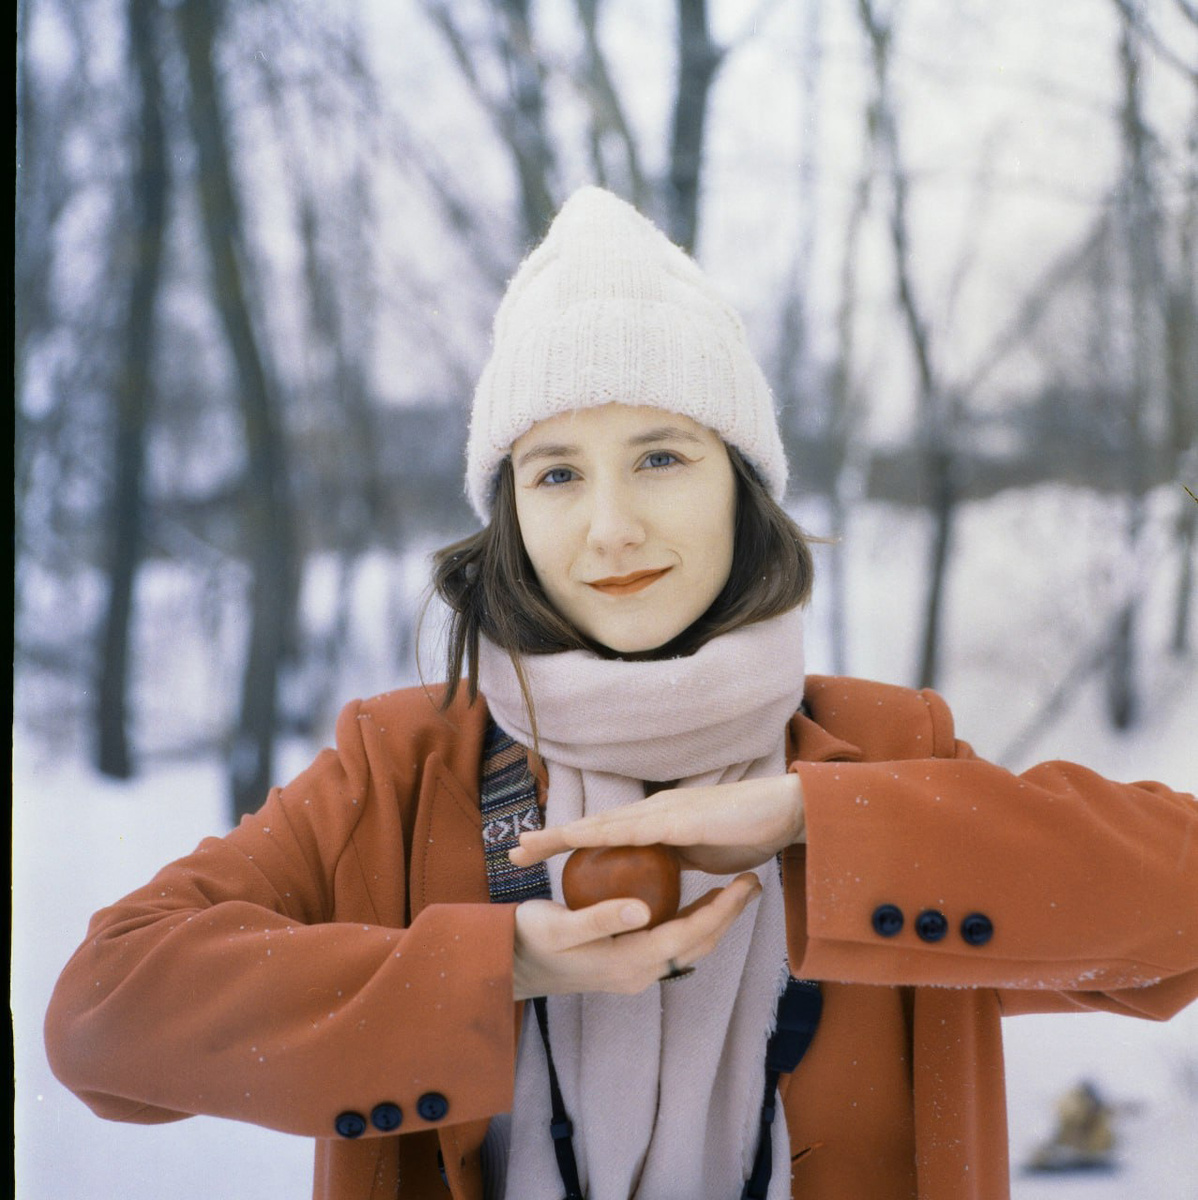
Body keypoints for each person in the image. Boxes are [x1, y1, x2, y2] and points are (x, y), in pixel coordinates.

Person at [45, 186, 1197, 1200]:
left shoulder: (884, 756)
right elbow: (101, 1017)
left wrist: (818, 826)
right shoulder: (397, 778)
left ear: (741, 489)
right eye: (555, 473)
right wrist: (505, 968)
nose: (610, 528)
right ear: (512, 519)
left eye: (660, 456)